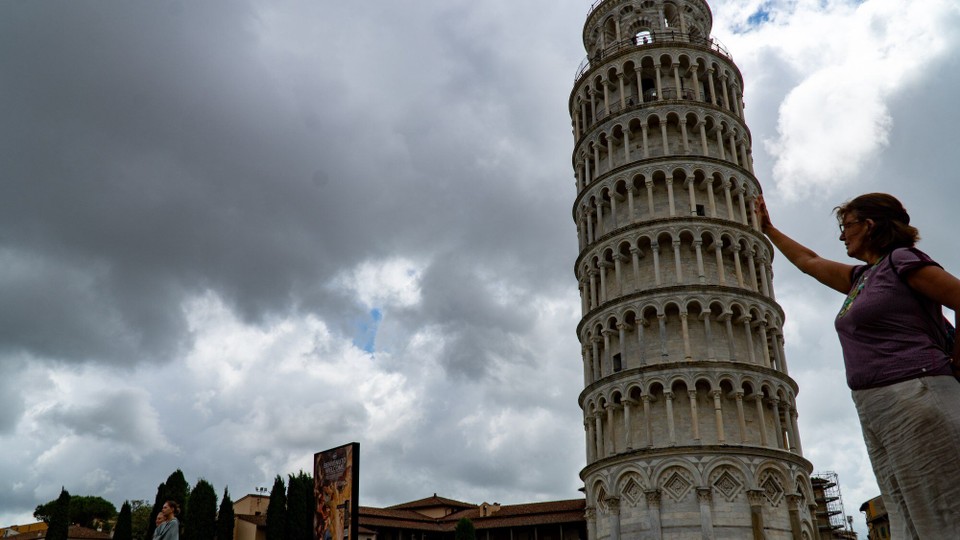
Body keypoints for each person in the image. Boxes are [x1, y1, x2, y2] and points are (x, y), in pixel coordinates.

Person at [756, 192, 960, 538]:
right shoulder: (862, 278)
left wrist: (955, 363)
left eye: (846, 225)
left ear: (869, 225)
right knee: (904, 512)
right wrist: (768, 229)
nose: (841, 235)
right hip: (877, 406)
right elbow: (809, 261)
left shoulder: (903, 261)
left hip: (917, 393)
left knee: (941, 509)